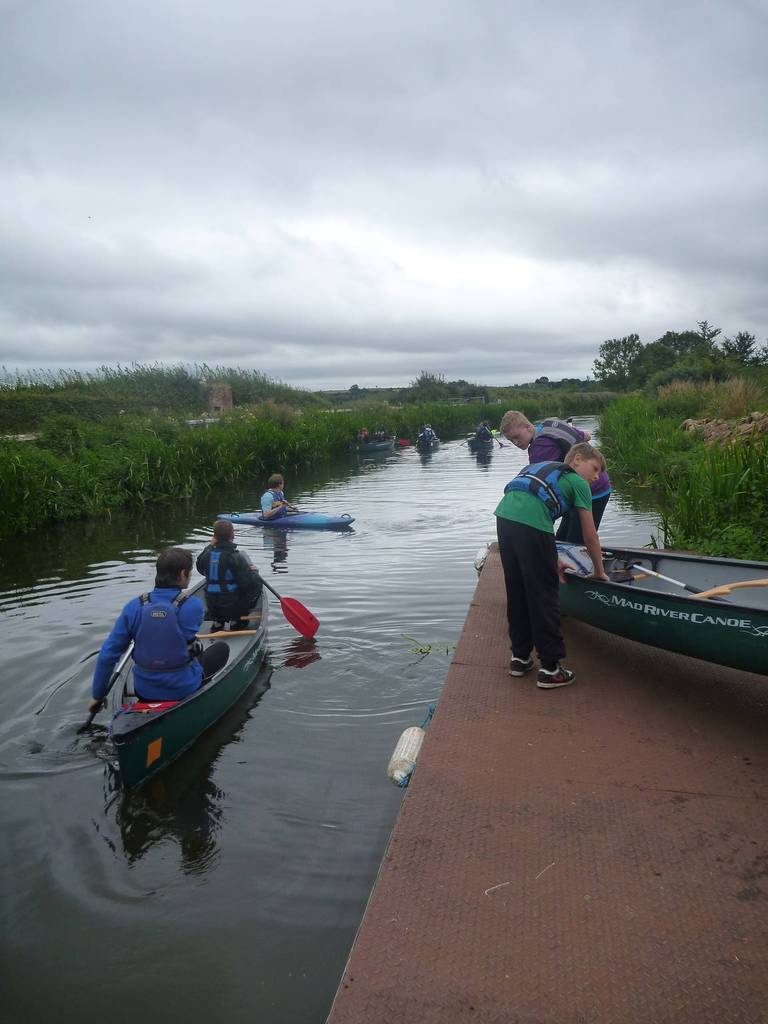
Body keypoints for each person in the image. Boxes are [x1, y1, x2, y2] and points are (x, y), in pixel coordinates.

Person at [494, 442, 609, 689]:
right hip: (532, 524)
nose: (597, 476)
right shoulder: (578, 483)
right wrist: (599, 572)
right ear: (577, 459)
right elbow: (591, 536)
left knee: (517, 591)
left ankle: (520, 658)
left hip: (504, 518)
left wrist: (553, 559)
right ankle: (550, 668)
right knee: (544, 595)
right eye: (595, 468)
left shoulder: (540, 466)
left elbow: (531, 510)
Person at [88, 548, 230, 714]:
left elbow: (107, 655)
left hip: (144, 691)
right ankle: (201, 695)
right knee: (221, 649)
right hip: (183, 688)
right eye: (189, 572)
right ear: (183, 574)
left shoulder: (133, 607)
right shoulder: (194, 605)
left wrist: (98, 695)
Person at [499, 410, 612, 542]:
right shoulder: (551, 426)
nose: (515, 442)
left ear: (528, 427)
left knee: (575, 542)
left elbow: (541, 484)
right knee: (562, 540)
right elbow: (586, 436)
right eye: (510, 440)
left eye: (516, 436)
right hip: (590, 485)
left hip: (593, 490)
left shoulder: (540, 447)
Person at [196, 520, 262, 631]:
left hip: (212, 606)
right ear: (232, 535)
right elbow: (248, 585)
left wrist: (209, 546)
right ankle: (237, 622)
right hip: (233, 607)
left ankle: (218, 623)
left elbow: (200, 568)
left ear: (214, 536)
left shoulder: (206, 555)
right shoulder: (235, 557)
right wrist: (254, 573)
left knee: (215, 587)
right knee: (256, 585)